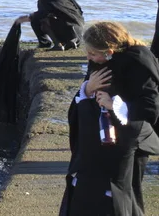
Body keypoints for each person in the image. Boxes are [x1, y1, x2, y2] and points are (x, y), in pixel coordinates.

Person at [59, 21, 159, 216]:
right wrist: (88, 89)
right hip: (99, 134)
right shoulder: (98, 61)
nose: (89, 58)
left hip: (131, 138)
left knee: (127, 190)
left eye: (92, 53)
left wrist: (114, 105)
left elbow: (151, 108)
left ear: (109, 51)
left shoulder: (140, 60)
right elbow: (83, 97)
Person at [16, 0, 84, 51]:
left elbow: (47, 10)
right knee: (40, 17)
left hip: (70, 27)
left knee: (40, 21)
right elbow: (60, 6)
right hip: (77, 22)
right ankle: (47, 43)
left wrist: (29, 17)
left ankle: (56, 44)